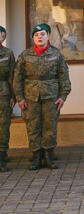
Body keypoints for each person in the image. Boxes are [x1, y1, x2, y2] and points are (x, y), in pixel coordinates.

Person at [13, 24, 72, 171]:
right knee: (32, 127)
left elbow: (64, 77)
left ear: (48, 36)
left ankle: (48, 156)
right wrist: (20, 97)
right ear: (33, 38)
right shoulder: (25, 56)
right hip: (30, 97)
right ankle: (36, 157)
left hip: (51, 97)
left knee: (49, 127)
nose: (40, 37)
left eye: (42, 34)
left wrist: (63, 96)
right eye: (36, 35)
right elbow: (17, 78)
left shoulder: (56, 54)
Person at [0, 26, 14, 172]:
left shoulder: (7, 53)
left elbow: (12, 76)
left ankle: (2, 155)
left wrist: (13, 96)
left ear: (3, 37)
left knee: (3, 125)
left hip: (3, 93)